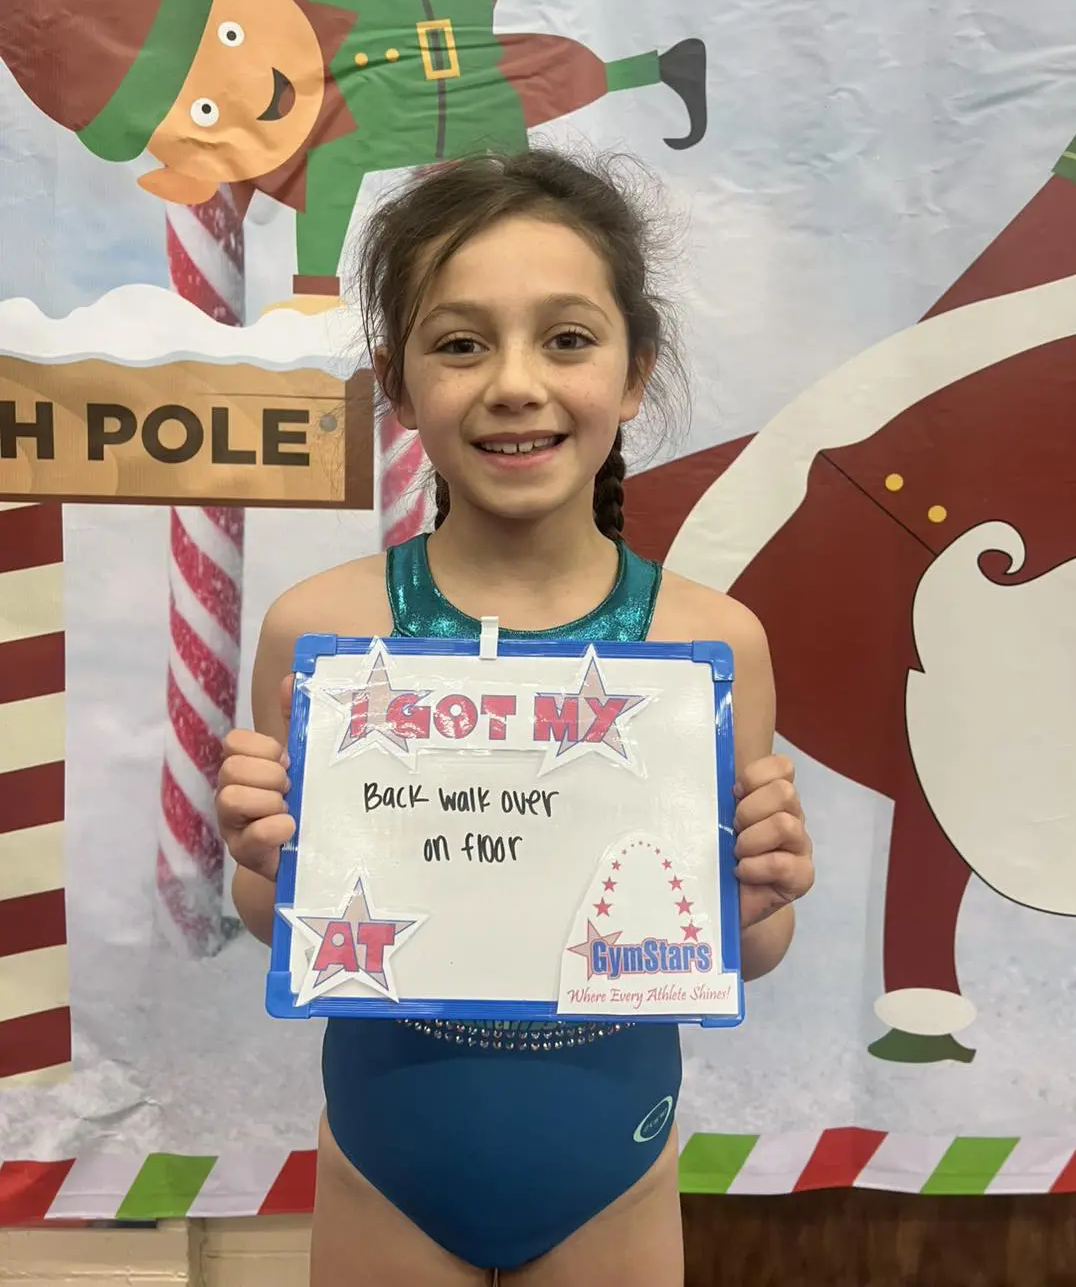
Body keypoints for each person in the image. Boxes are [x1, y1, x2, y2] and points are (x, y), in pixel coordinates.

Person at [214, 147, 815, 1287]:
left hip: (613, 1169)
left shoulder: (706, 649)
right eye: (460, 342)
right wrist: (263, 858)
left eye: (568, 338)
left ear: (635, 372)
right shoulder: (321, 633)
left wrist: (760, 895)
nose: (515, 382)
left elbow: (753, 947)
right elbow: (275, 922)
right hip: (385, 1162)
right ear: (396, 382)